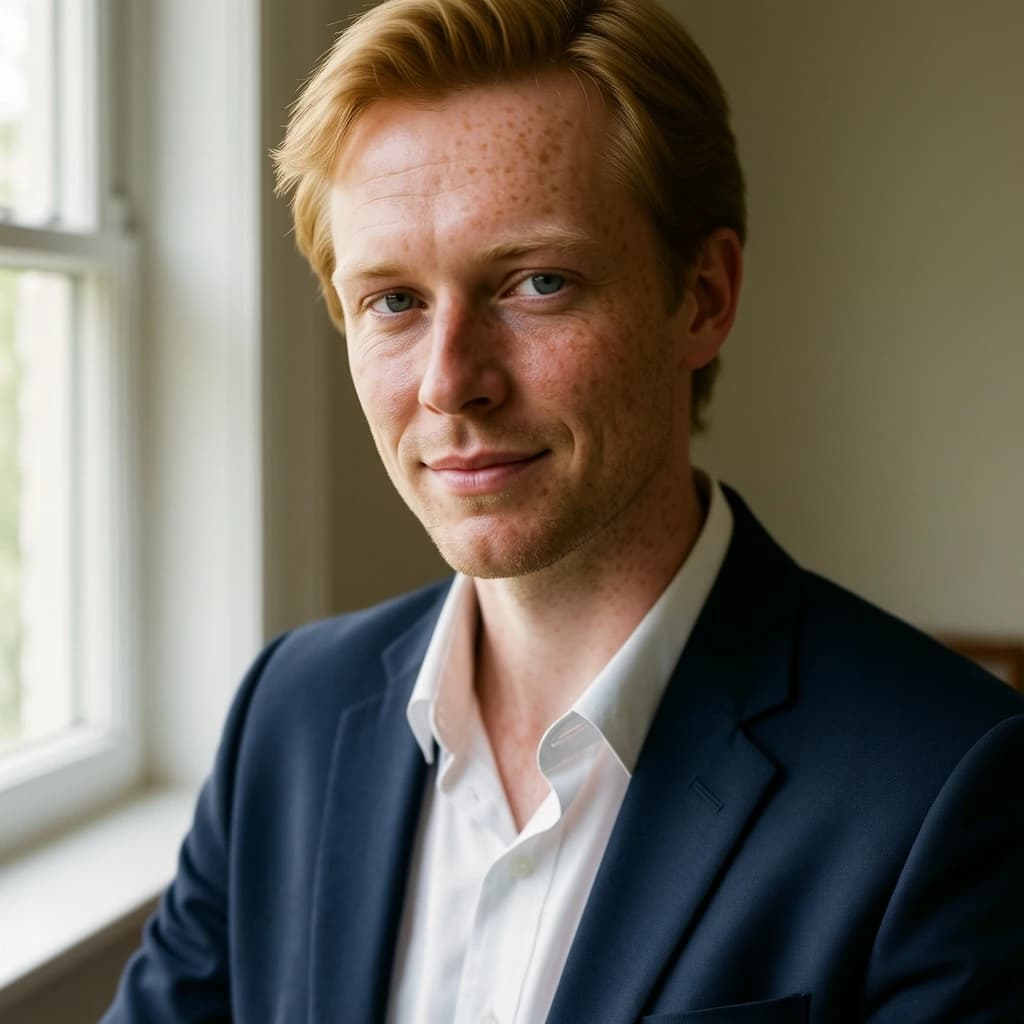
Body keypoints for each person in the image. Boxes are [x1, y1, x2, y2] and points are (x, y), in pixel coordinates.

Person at [103, 1, 1024, 1021]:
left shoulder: (951, 784)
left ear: (703, 297)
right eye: (394, 301)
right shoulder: (285, 717)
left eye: (536, 282)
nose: (451, 383)